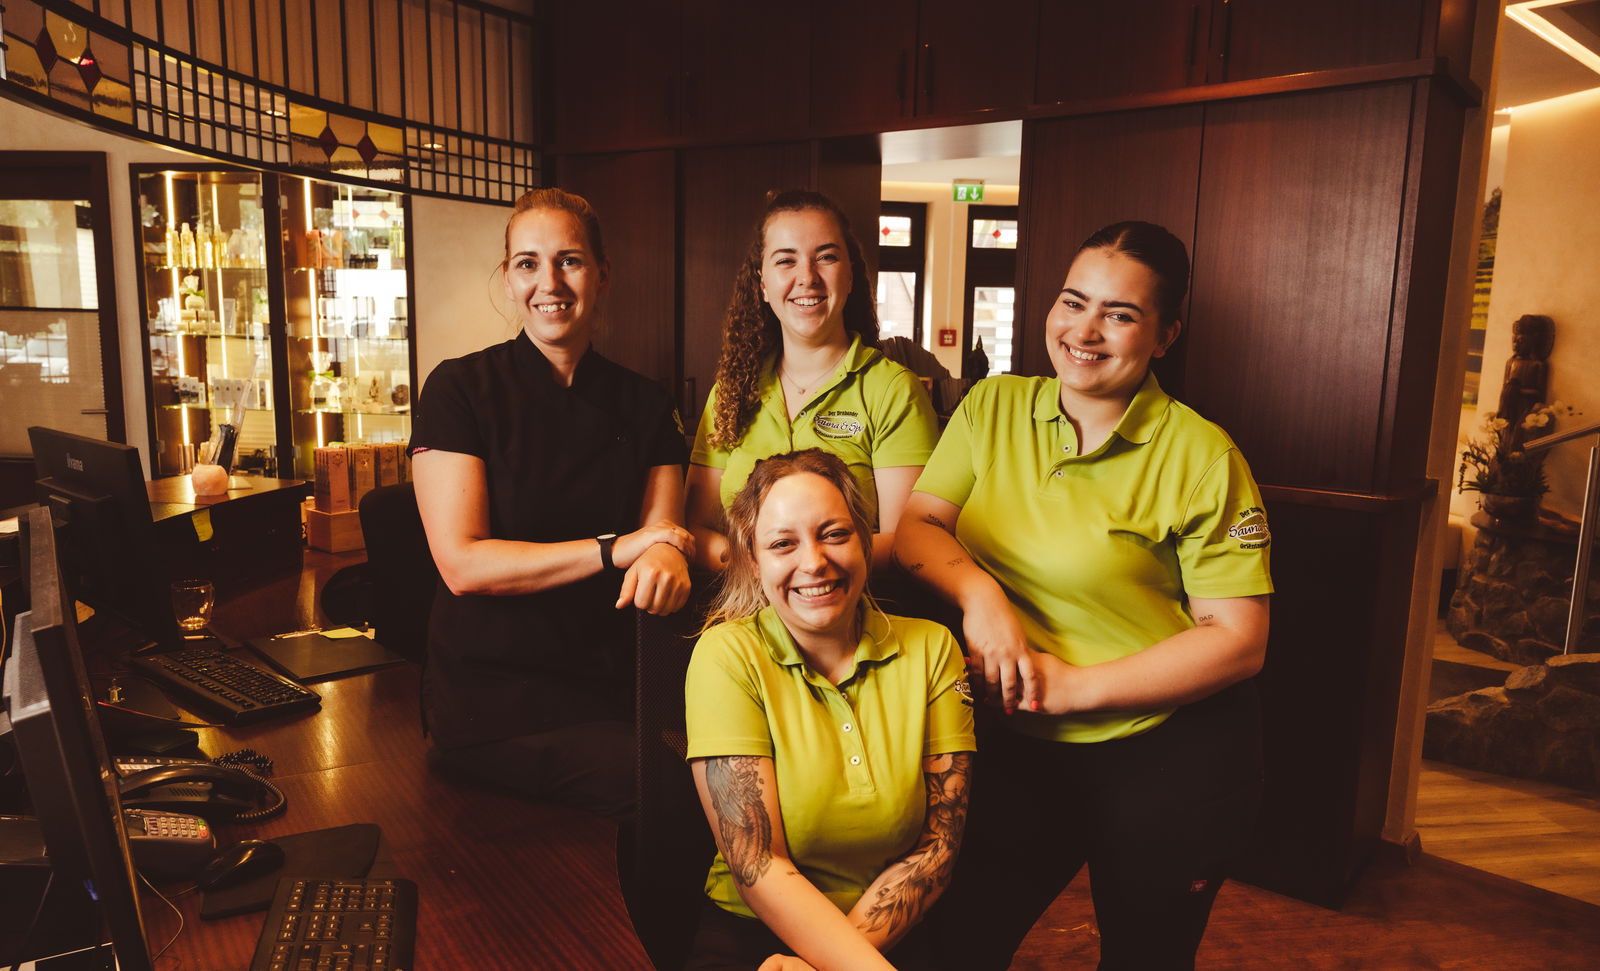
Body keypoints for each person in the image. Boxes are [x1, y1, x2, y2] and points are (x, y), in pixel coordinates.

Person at [896, 221, 1274, 970]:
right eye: (1074, 302)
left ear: (1164, 336)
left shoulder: (1202, 455)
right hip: (1021, 742)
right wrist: (983, 597)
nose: (1086, 330)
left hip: (1168, 752)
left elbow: (1239, 638)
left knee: (1144, 959)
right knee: (951, 941)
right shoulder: (992, 408)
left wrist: (1074, 688)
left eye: (1120, 314)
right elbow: (918, 526)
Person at [409, 188, 693, 820]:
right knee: (685, 795)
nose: (550, 283)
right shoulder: (459, 389)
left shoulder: (647, 404)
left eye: (569, 260)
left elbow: (663, 542)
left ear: (602, 275)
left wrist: (666, 555)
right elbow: (462, 564)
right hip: (495, 701)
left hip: (615, 685)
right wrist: (614, 550)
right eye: (527, 264)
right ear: (508, 280)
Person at [684, 449, 975, 971]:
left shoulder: (934, 648)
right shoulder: (725, 655)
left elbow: (937, 849)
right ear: (754, 561)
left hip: (891, 929)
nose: (814, 561)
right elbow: (757, 863)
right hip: (757, 931)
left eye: (834, 533)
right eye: (782, 544)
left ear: (865, 541)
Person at [687, 190, 939, 574]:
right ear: (763, 285)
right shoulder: (731, 390)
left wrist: (802, 573)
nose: (807, 277)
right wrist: (762, 569)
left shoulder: (893, 391)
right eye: (786, 260)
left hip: (854, 613)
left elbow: (907, 542)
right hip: (738, 613)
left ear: (850, 274)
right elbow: (695, 528)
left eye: (826, 257)